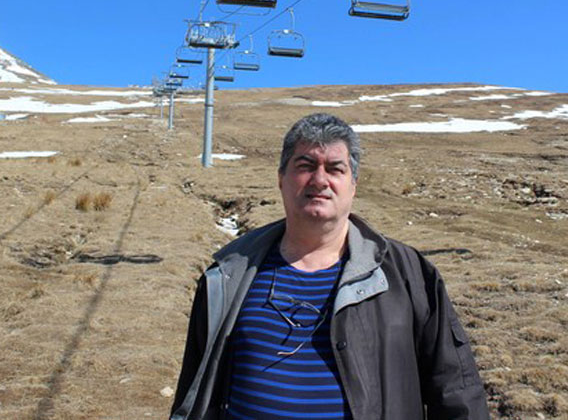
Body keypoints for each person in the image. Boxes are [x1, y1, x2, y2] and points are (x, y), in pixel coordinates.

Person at [170, 113, 489, 420]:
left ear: (353, 184)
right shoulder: (228, 275)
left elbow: (457, 394)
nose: (320, 180)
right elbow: (193, 394)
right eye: (305, 166)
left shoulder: (410, 276)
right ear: (281, 179)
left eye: (335, 169)